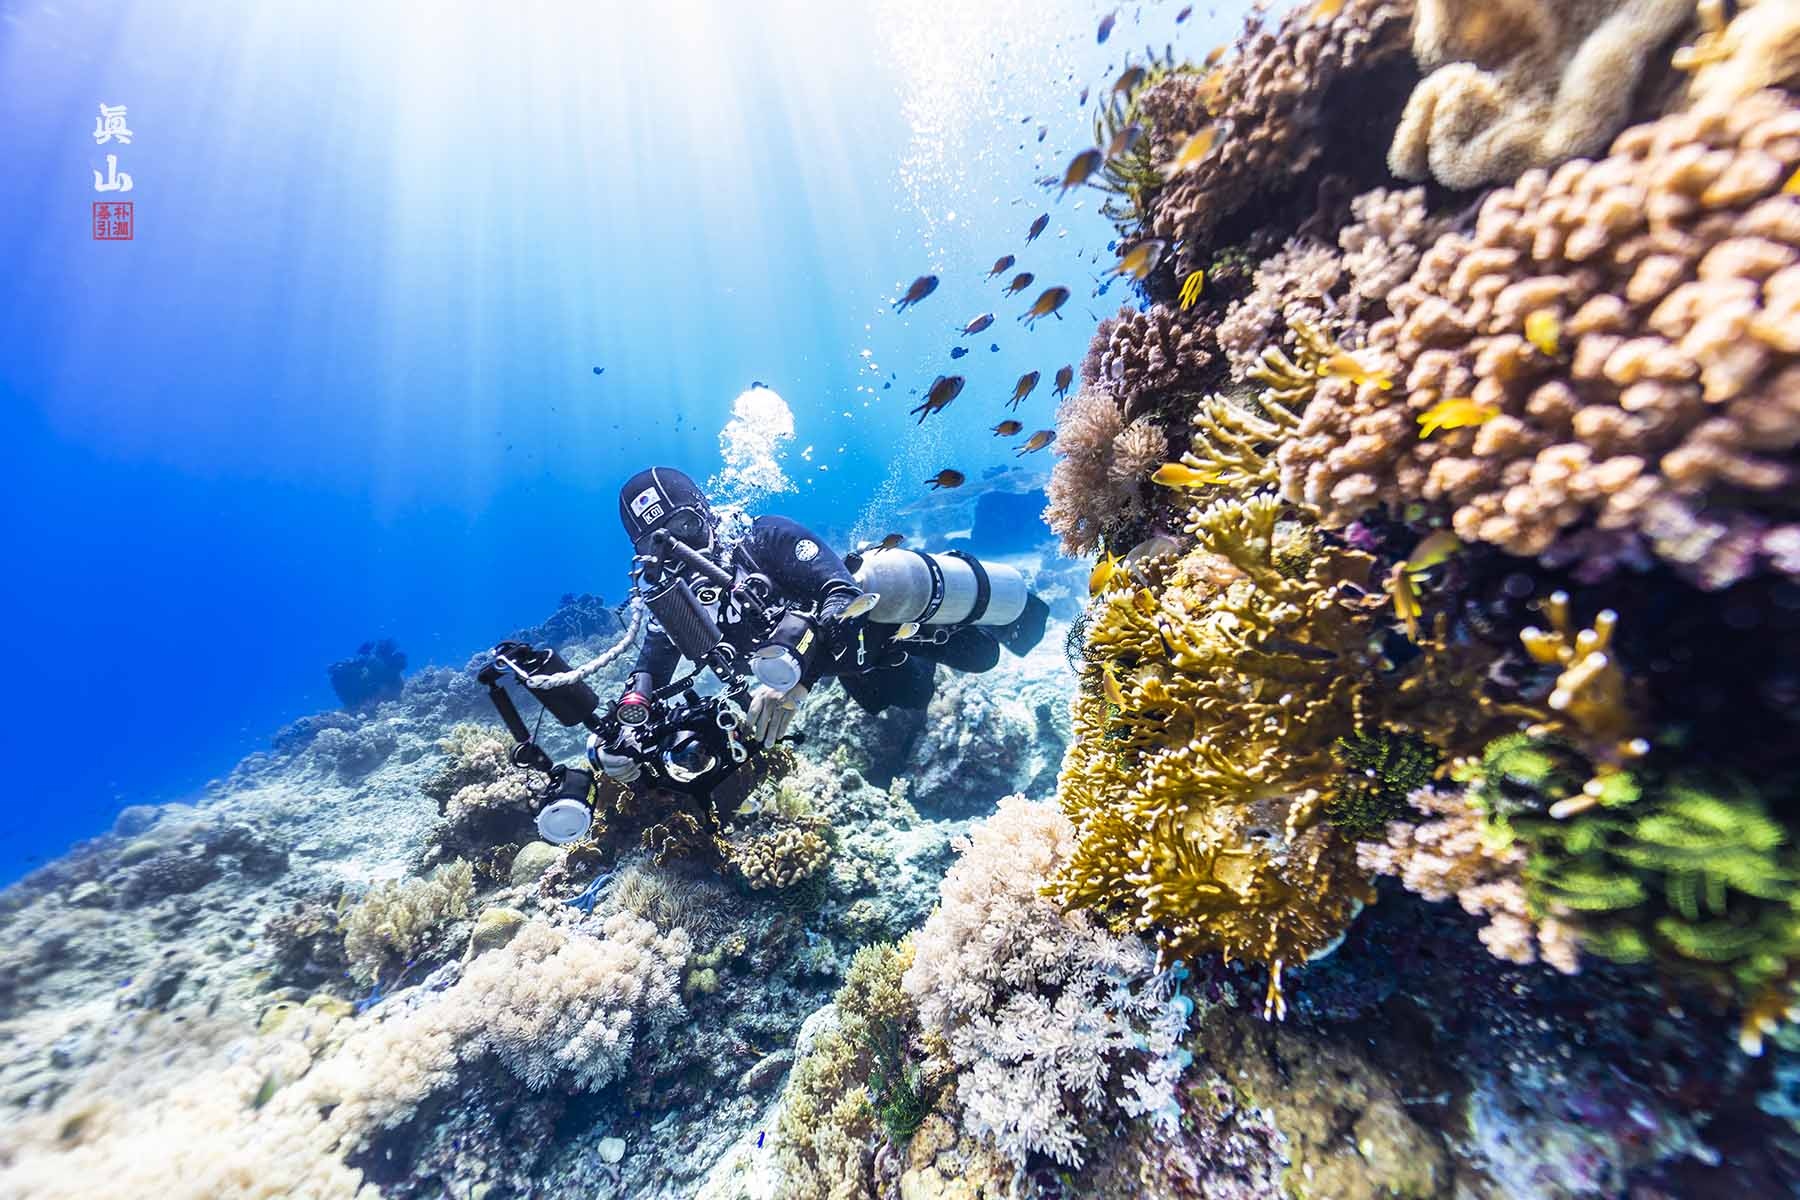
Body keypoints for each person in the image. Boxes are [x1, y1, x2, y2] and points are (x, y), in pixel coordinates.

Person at [594, 466, 1046, 784]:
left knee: (979, 657)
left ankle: (957, 586)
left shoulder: (764, 538)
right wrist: (618, 735)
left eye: (686, 527)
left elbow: (842, 593)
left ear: (706, 513)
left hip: (875, 629)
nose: (680, 550)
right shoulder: (675, 604)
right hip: (844, 666)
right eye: (659, 545)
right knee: (905, 698)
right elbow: (649, 670)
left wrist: (796, 684)